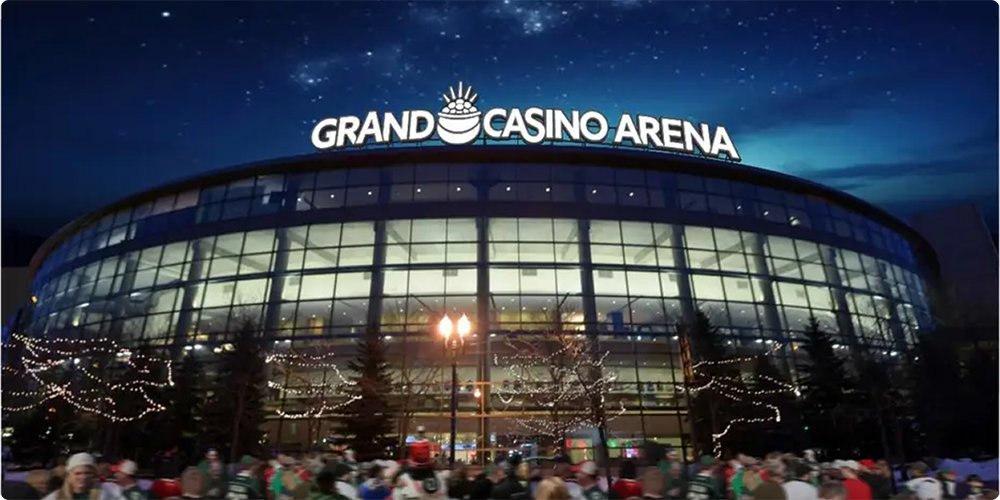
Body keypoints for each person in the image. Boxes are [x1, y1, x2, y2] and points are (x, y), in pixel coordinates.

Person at [43, 453, 125, 500]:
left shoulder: (109, 491)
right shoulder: (55, 497)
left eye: (87, 473)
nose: (83, 477)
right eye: (78, 473)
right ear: (69, 475)